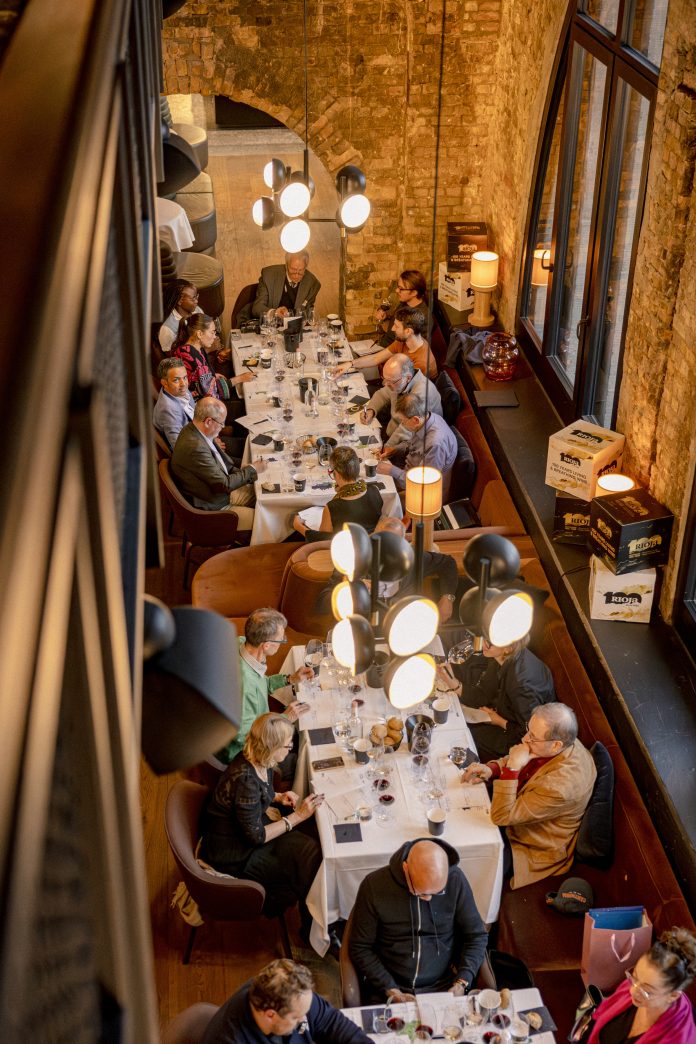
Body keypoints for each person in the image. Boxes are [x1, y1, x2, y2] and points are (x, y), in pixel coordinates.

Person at [200, 715, 323, 938]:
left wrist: (277, 797)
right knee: (309, 856)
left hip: (246, 831)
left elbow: (260, 790)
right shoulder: (244, 780)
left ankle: (315, 918)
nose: (290, 749)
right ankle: (312, 929)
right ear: (271, 747)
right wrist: (296, 817)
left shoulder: (258, 759)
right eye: (287, 745)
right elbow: (255, 837)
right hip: (235, 853)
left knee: (308, 849)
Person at [462, 703, 596, 888]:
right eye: (528, 730)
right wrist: (491, 769)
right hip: (515, 809)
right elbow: (522, 754)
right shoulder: (560, 741)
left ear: (557, 744)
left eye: (533, 737)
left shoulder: (561, 787)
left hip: (528, 844)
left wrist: (512, 768)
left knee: (468, 865)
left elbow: (501, 816)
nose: (525, 739)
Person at [349, 838, 488, 1002]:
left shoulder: (455, 879)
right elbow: (360, 947)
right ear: (405, 868)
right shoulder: (374, 885)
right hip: (389, 987)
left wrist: (462, 981)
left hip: (443, 985)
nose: (428, 899)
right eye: (422, 892)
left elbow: (476, 935)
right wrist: (390, 989)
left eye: (436, 893)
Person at [216, 608, 312, 766]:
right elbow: (246, 737)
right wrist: (285, 718)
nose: (282, 643)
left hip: (250, 727)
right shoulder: (245, 687)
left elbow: (260, 684)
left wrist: (290, 678)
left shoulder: (241, 643)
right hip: (243, 754)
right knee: (299, 760)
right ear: (266, 646)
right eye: (281, 640)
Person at [437, 634, 556, 761]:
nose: (482, 645)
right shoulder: (501, 657)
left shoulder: (522, 685)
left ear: (508, 648)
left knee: (464, 735)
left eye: (488, 642)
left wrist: (499, 721)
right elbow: (484, 694)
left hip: (522, 738)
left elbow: (527, 733)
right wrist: (452, 682)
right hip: (506, 714)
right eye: (483, 638)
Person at [201, 959, 372, 1044]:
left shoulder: (292, 993)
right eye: (297, 1018)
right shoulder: (229, 1038)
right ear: (270, 1015)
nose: (304, 1020)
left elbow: (331, 1021)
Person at [586, 928, 696, 1043]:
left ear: (673, 996)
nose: (632, 991)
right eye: (634, 977)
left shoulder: (679, 1039)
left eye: (647, 991)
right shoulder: (635, 986)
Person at [170, 397, 264, 527]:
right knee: (265, 521)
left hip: (219, 491)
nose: (223, 427)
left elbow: (225, 466)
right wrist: (253, 469)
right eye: (221, 423)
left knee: (265, 493)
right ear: (208, 421)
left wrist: (247, 472)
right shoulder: (195, 447)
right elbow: (224, 484)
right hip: (215, 506)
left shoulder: (195, 429)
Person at [372, 516, 459, 623]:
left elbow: (447, 563)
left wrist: (447, 597)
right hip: (371, 624)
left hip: (406, 624)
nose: (389, 548)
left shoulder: (413, 557)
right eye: (384, 541)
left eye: (394, 542)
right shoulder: (358, 560)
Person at [291, 446, 384, 540]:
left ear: (338, 474)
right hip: (370, 543)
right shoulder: (374, 491)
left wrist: (299, 526)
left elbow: (323, 540)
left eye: (331, 472)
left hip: (346, 549)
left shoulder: (333, 507)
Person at [377, 392, 458, 497]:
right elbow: (413, 444)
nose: (402, 424)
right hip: (407, 472)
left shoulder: (435, 444)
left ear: (415, 419)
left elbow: (421, 482)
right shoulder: (427, 418)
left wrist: (391, 470)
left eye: (403, 421)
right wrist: (394, 449)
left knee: (377, 500)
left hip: (422, 495)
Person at [360, 354, 443, 455]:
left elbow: (406, 429)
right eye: (384, 379)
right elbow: (382, 394)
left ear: (408, 378)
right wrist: (371, 410)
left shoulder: (422, 393)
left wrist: (386, 448)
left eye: (390, 381)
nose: (386, 384)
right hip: (392, 431)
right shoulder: (399, 381)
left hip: (411, 445)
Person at [334, 306, 437, 380]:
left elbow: (402, 390)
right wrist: (350, 364)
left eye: (396, 326)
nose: (392, 329)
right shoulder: (404, 341)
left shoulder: (422, 363)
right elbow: (376, 358)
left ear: (408, 331)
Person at [171, 313, 254, 401]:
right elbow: (212, 392)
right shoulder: (195, 359)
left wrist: (212, 375)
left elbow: (200, 377)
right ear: (199, 334)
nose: (214, 337)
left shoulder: (184, 348)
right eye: (212, 332)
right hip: (196, 405)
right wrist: (240, 378)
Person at [243, 251, 321, 321]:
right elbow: (257, 308)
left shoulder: (312, 283)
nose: (297, 275)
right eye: (293, 270)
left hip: (294, 328)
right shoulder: (268, 276)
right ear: (286, 265)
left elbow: (309, 313)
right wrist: (274, 313)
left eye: (301, 271)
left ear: (306, 267)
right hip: (270, 325)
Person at [374, 269, 429, 347]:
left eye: (401, 289)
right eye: (397, 287)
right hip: (384, 345)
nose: (397, 290)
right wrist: (386, 316)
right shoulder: (404, 303)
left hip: (394, 354)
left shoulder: (422, 317)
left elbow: (411, 350)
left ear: (414, 293)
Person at [152, 357, 195, 450]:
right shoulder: (168, 410)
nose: (183, 383)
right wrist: (209, 444)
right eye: (176, 380)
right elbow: (180, 447)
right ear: (164, 383)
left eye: (185, 377)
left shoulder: (180, 390)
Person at [158, 279, 202, 352]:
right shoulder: (168, 329)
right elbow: (171, 356)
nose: (197, 301)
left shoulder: (196, 310)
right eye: (193, 298)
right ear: (179, 301)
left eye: (196, 296)